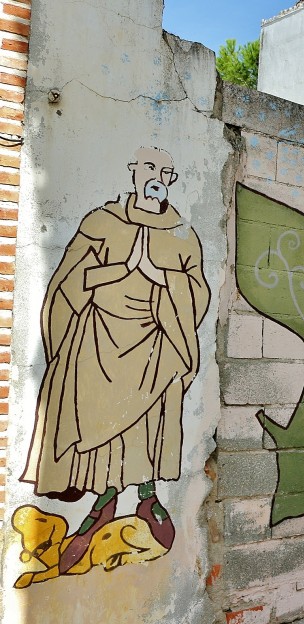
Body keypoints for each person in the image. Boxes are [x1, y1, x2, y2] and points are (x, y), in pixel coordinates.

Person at [22, 147, 209, 574]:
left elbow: (196, 293)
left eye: (165, 171)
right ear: (134, 173)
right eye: (148, 168)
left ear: (172, 180)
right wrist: (122, 268)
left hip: (156, 341)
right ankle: (104, 502)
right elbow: (69, 281)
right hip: (98, 336)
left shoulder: (182, 234)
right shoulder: (101, 222)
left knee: (144, 425)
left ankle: (145, 496)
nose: (156, 177)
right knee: (100, 424)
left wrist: (160, 276)